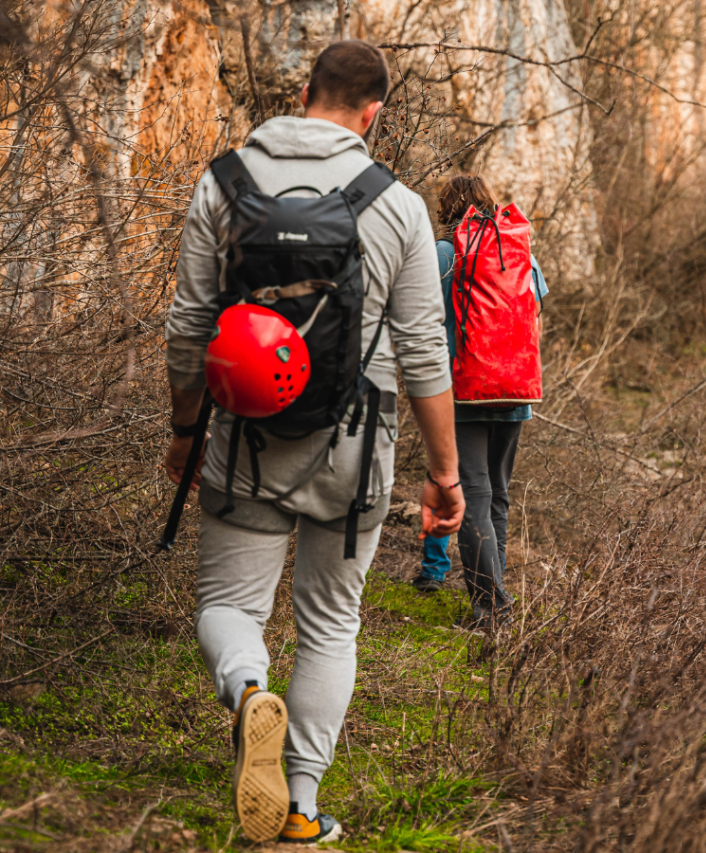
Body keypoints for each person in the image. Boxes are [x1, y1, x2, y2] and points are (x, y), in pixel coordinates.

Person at [163, 40, 464, 844]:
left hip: (245, 438)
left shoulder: (224, 182)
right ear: (375, 113)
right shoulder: (397, 204)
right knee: (331, 622)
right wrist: (445, 474)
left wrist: (184, 429)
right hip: (356, 449)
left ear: (303, 92)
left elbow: (190, 328)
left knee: (227, 606)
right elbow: (426, 351)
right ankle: (298, 806)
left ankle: (248, 685)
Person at [411, 177, 548, 631]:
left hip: (464, 390)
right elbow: (536, 316)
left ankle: (492, 608)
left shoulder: (443, 254)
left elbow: (416, 316)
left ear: (447, 211)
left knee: (473, 494)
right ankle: (493, 601)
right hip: (515, 389)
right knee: (498, 497)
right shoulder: (517, 248)